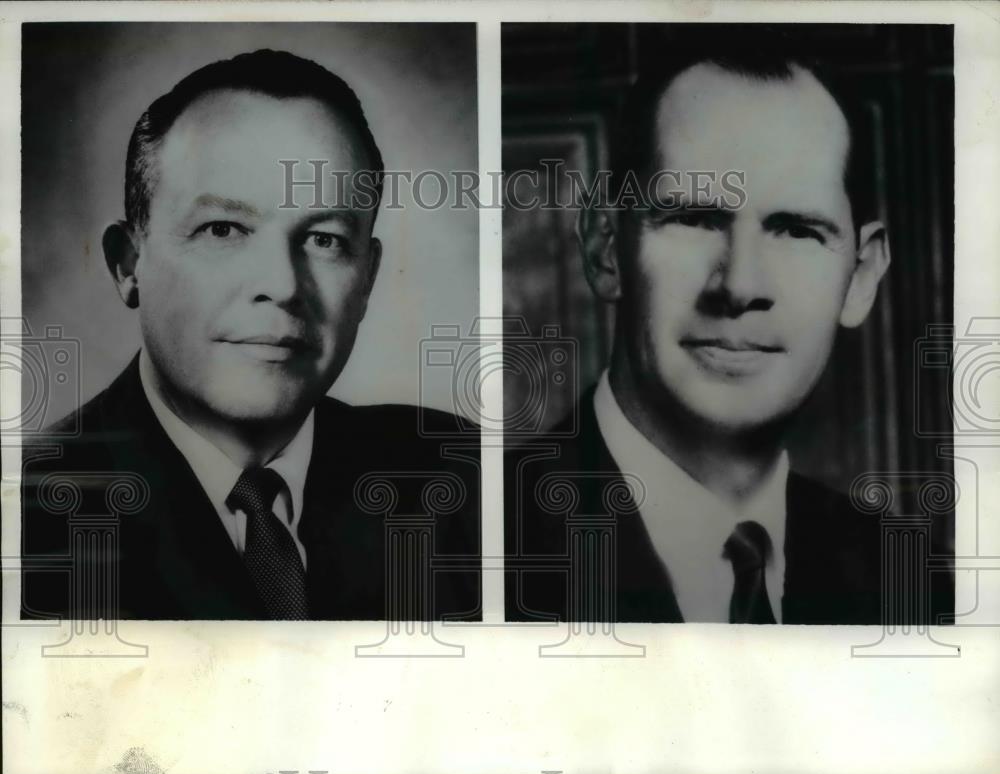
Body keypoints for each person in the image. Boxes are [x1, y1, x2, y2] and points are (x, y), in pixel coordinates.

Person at [22, 49, 480, 621]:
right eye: (223, 229)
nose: (282, 285)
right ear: (128, 264)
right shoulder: (25, 519)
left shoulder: (469, 479)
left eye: (325, 239)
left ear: (367, 278)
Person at [505, 38, 898, 624]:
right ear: (606, 249)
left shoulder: (915, 589)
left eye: (795, 231)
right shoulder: (462, 557)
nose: (739, 285)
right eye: (693, 218)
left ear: (861, 275)